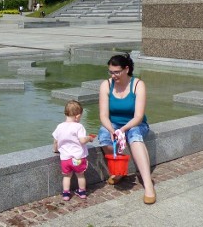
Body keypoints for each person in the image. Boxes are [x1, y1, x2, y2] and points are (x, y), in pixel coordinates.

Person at [98, 53, 156, 204]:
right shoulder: (106, 85)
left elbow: (138, 116)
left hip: (135, 123)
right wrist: (112, 130)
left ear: (126, 69)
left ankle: (148, 184)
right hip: (114, 124)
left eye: (117, 72)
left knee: (135, 137)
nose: (113, 75)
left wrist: (123, 130)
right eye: (111, 72)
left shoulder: (138, 85)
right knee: (104, 139)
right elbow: (103, 115)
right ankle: (119, 171)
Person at [52, 100, 95, 201]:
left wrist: (56, 150)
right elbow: (82, 140)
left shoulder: (60, 126)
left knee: (66, 176)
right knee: (80, 176)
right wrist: (89, 138)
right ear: (77, 116)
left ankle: (66, 194)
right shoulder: (79, 126)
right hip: (78, 158)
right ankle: (82, 192)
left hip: (65, 159)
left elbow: (55, 141)